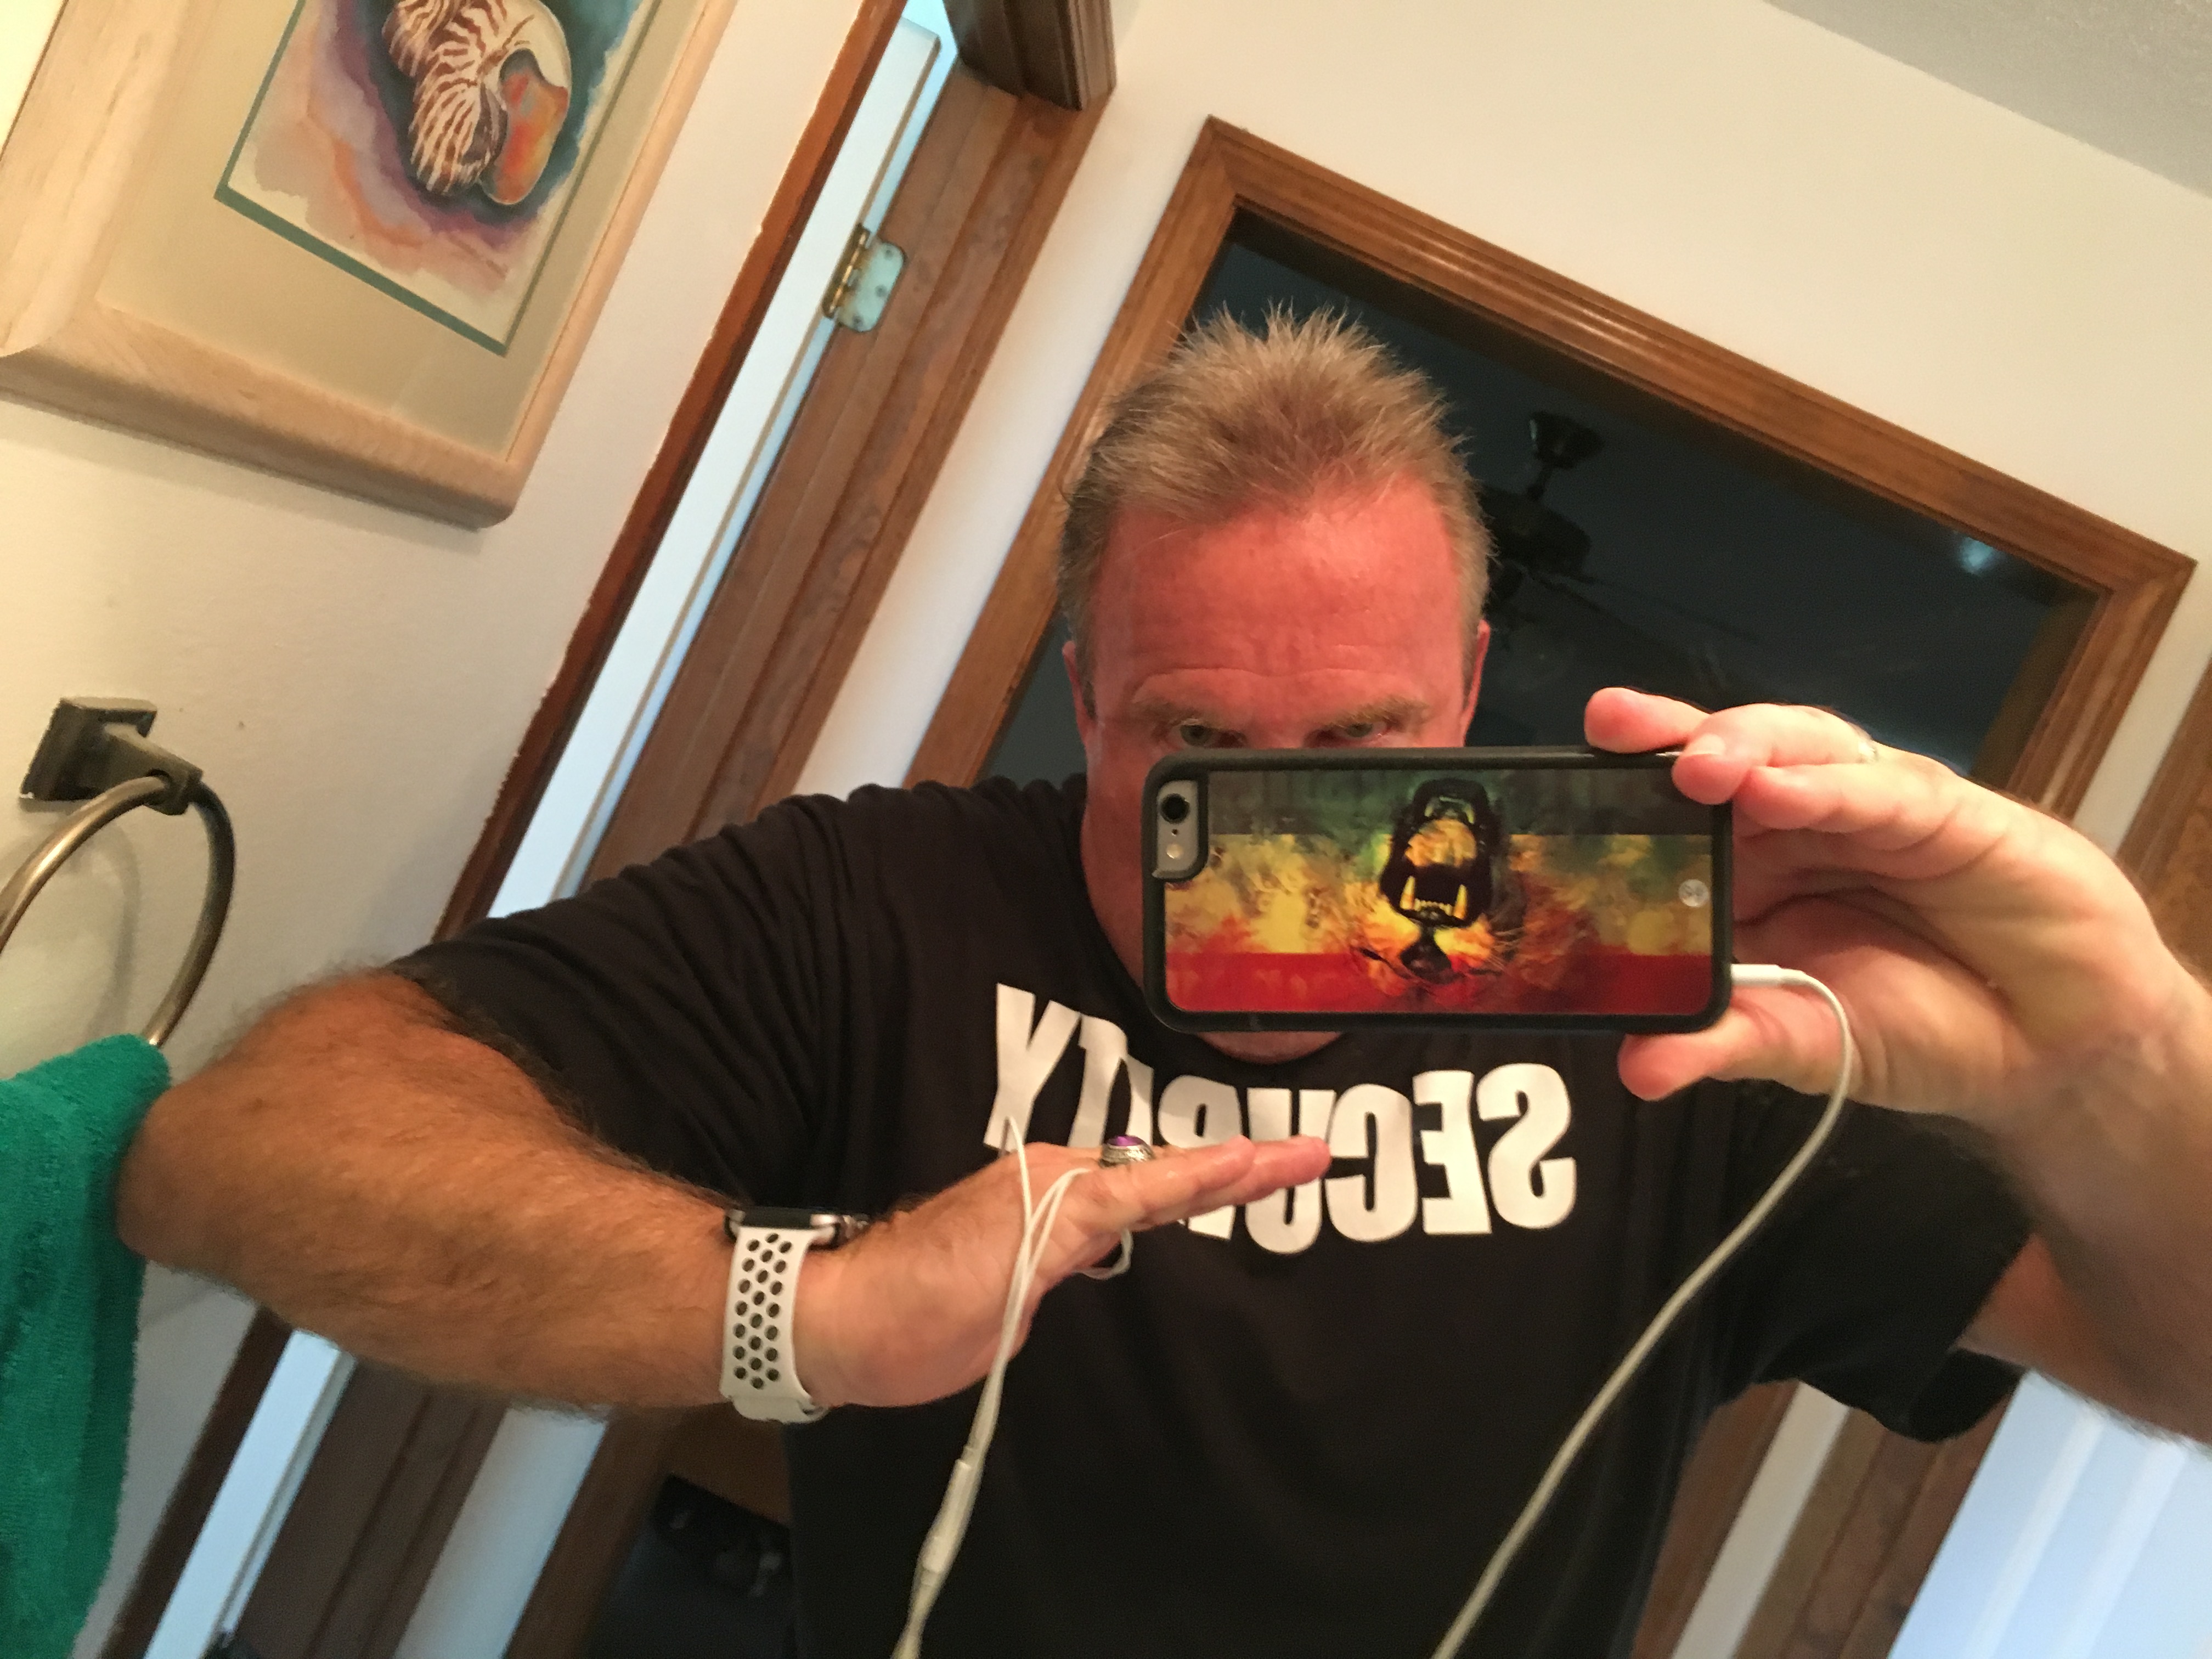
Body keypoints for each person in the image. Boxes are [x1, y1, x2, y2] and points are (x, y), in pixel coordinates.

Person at [118, 314, 2212, 1658]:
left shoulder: (1687, 1001)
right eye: (1200, 753)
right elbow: (233, 1152)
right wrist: (810, 1312)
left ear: (1472, 692)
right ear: (1084, 690)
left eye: (1364, 753)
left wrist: (2113, 1058)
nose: (1283, 840)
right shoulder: (881, 906)